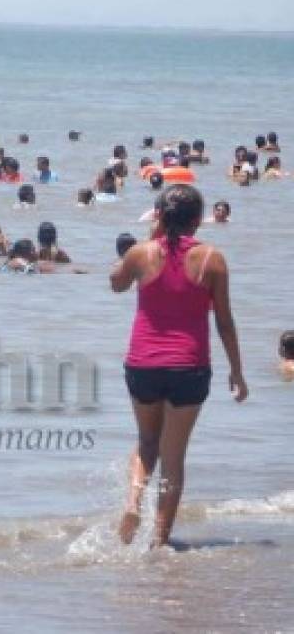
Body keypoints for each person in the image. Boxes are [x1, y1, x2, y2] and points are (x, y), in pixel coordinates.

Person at [110, 184, 247, 548]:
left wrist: (148, 237)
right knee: (173, 457)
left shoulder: (142, 253)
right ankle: (158, 541)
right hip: (189, 367)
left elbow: (116, 284)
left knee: (146, 442)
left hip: (143, 363)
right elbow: (225, 321)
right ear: (197, 220)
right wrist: (237, 370)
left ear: (160, 216)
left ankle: (132, 503)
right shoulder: (212, 259)